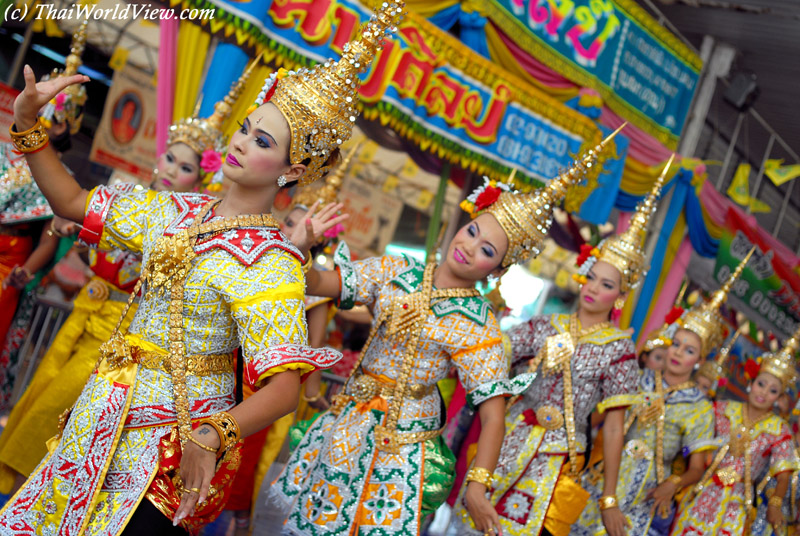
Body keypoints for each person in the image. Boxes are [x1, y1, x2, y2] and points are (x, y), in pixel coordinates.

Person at [0, 1, 405, 531]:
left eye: (263, 142)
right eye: (245, 129)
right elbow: (74, 202)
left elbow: (284, 386)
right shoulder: (176, 208)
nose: (240, 143)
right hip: (99, 414)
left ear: (293, 170)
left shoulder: (270, 262)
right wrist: (28, 127)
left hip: (169, 442)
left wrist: (213, 434)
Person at [263, 125, 623, 536]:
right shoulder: (397, 269)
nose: (470, 247)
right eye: (473, 231)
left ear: (499, 270)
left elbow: (492, 416)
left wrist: (478, 484)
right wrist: (300, 249)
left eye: (487, 250)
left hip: (404, 446)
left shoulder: (479, 326)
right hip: (349, 423)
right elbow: (320, 286)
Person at [0, 58, 260, 497]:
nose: (172, 170)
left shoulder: (188, 226)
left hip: (124, 345)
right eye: (171, 159)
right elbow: (73, 208)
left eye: (186, 168)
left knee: (58, 417)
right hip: (84, 317)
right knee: (40, 406)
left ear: (202, 177)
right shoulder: (138, 204)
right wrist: (80, 235)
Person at [450, 147, 656, 536]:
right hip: (508, 442)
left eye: (607, 284)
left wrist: (609, 498)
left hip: (558, 459)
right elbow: (496, 351)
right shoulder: (546, 323)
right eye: (593, 276)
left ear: (621, 296)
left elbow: (613, 428)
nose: (594, 288)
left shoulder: (619, 351)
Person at [572, 249, 753, 536]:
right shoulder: (637, 377)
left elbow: (696, 467)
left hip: (647, 489)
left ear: (700, 360)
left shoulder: (699, 406)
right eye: (677, 344)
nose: (679, 353)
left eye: (689, 350)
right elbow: (596, 420)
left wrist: (673, 484)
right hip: (604, 469)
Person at [672, 322, 800, 536]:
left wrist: (775, 504)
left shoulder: (779, 430)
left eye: (773, 390)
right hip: (704, 486)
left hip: (738, 500)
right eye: (761, 384)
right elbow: (692, 441)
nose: (764, 393)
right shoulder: (721, 409)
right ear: (751, 382)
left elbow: (783, 475)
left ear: (778, 398)